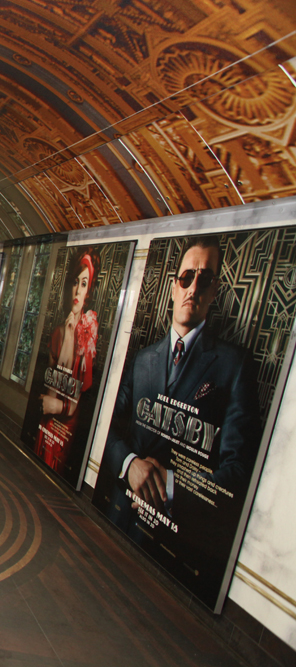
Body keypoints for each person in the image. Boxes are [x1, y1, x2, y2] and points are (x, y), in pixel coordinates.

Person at [100, 236, 260, 600]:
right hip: (116, 512)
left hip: (172, 544)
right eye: (187, 277)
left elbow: (236, 471)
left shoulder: (234, 366)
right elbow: (108, 424)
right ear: (174, 287)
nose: (194, 288)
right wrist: (129, 463)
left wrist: (169, 485)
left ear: (215, 290)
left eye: (205, 279)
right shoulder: (143, 360)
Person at [34, 249, 100, 474]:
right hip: (48, 418)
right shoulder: (57, 333)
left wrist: (56, 405)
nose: (77, 290)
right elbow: (51, 378)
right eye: (74, 282)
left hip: (67, 424)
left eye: (83, 283)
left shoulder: (88, 335)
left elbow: (77, 400)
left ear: (88, 291)